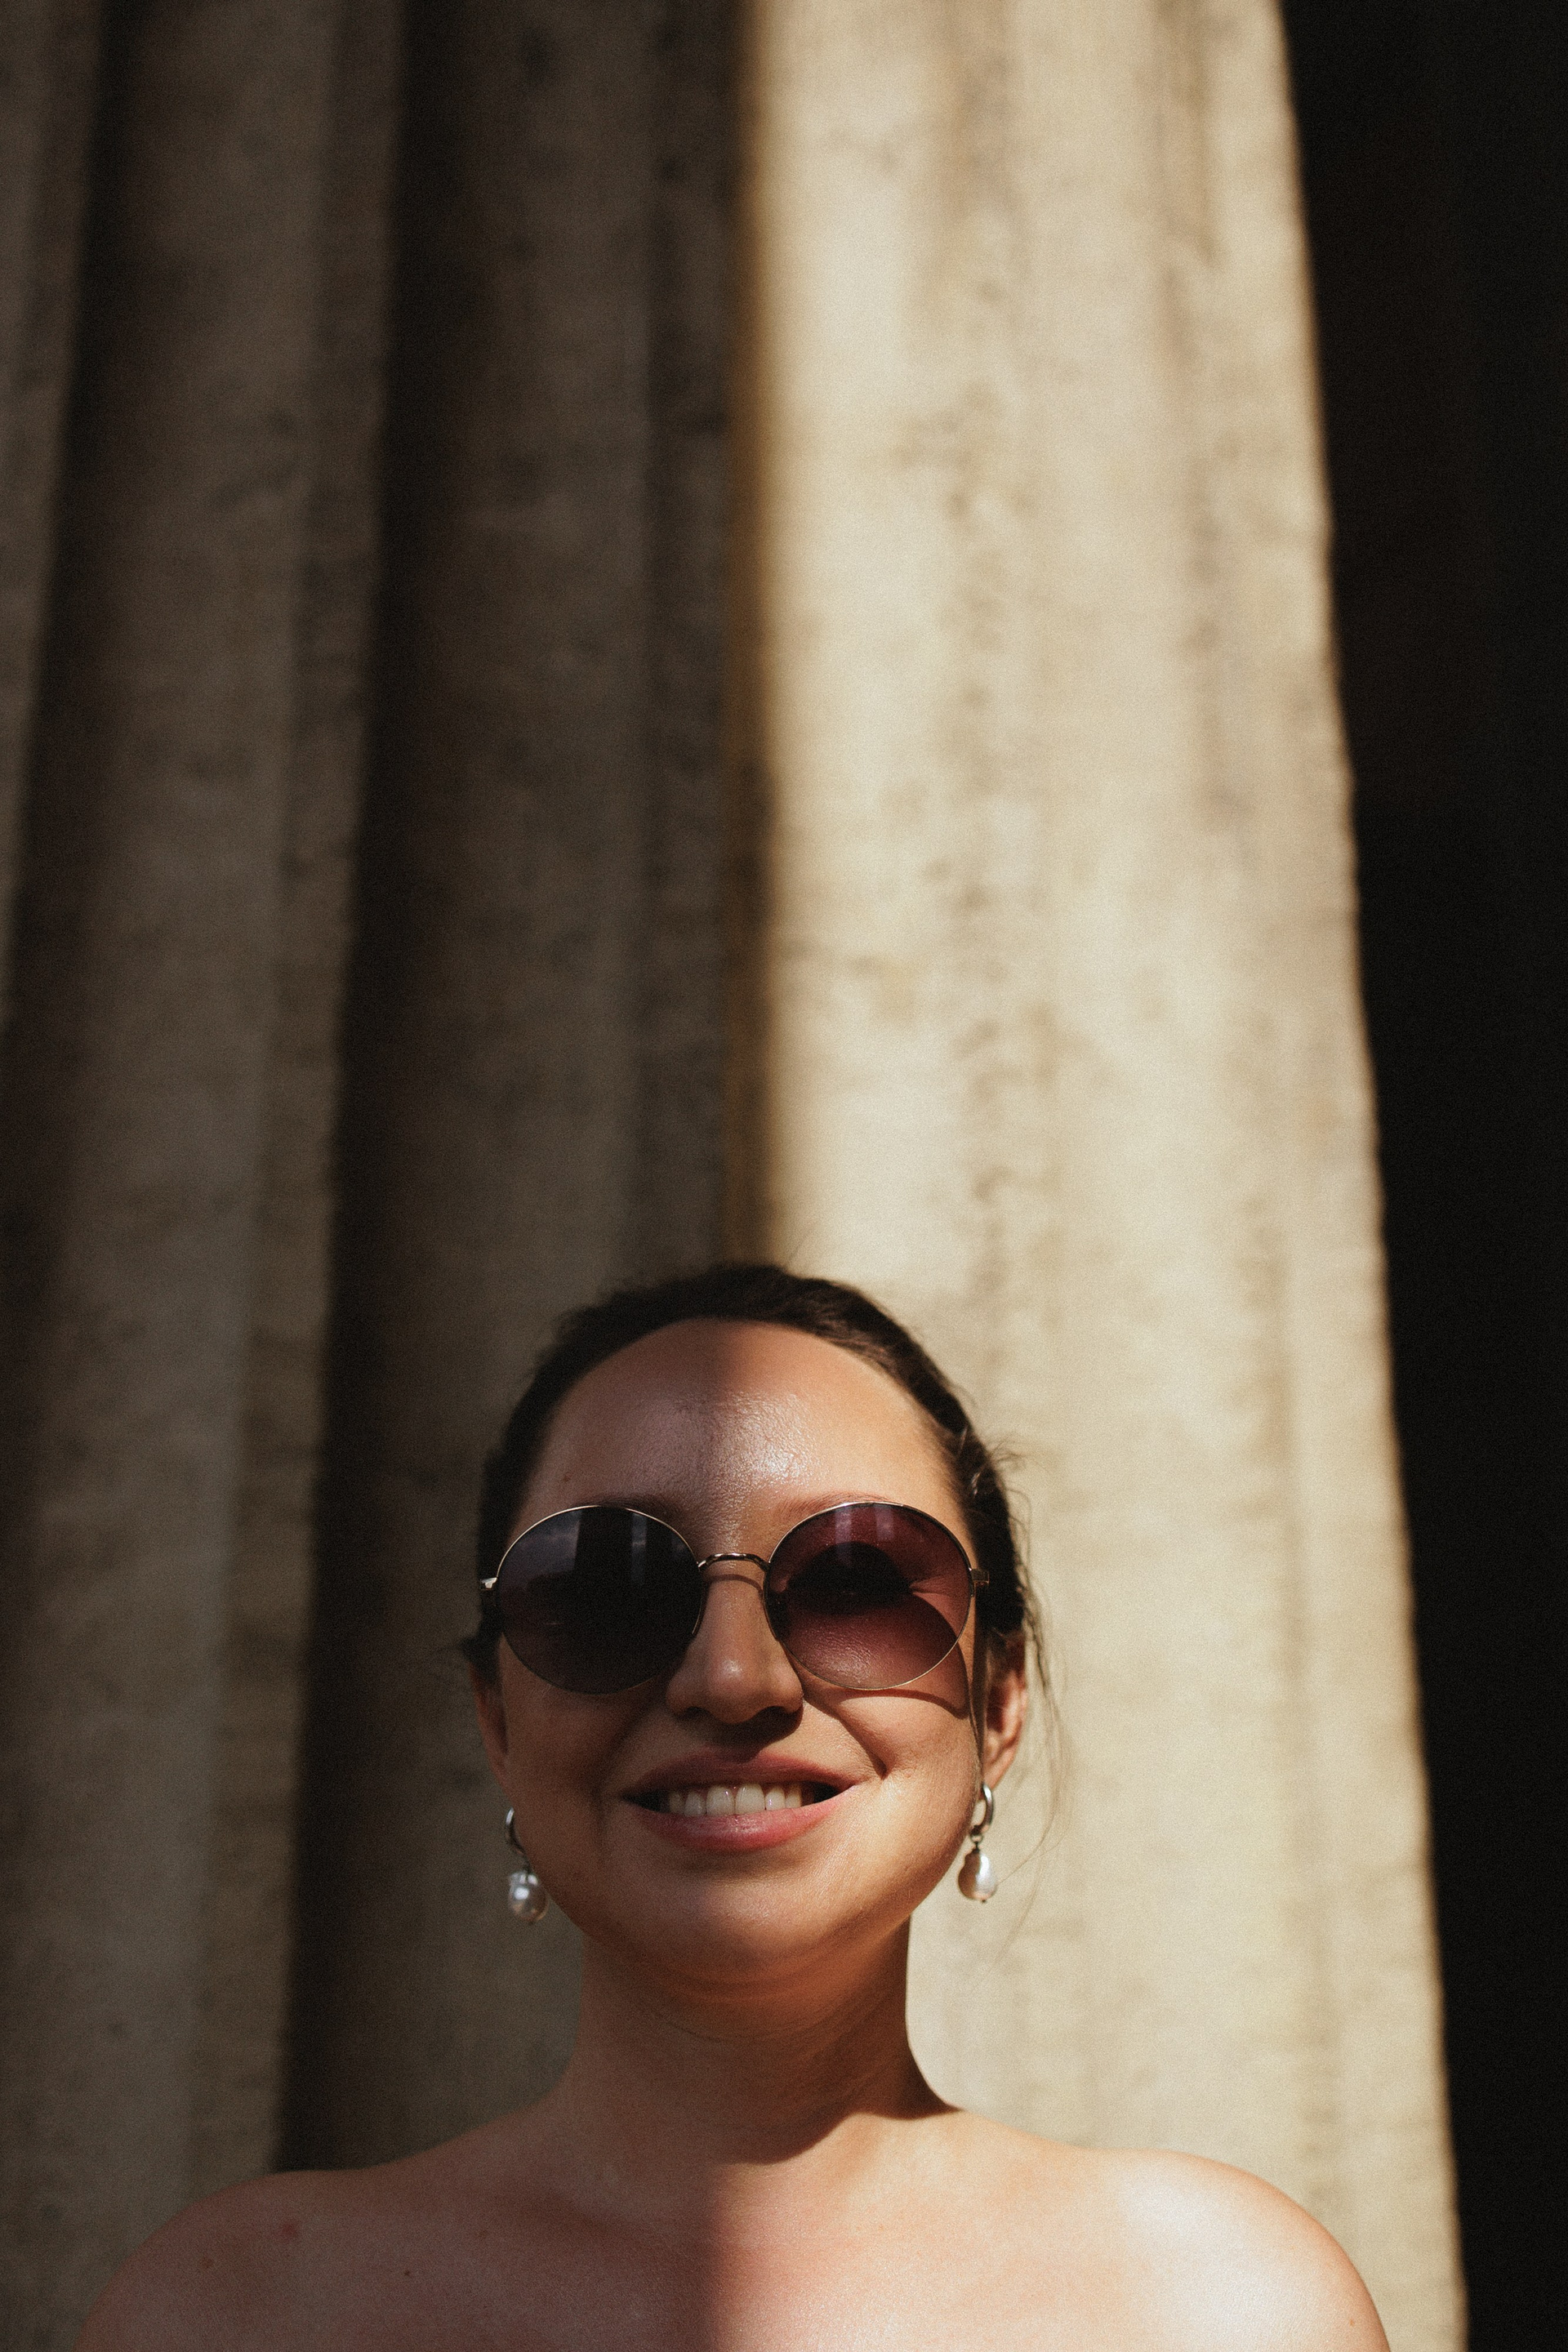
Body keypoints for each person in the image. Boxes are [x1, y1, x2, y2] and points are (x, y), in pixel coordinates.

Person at [79, 1263, 1388, 2350]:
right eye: (605, 1586)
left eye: (857, 1579)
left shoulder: (1223, 2310)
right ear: (497, 1721)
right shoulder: (235, 2315)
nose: (732, 1677)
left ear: (999, 1702)